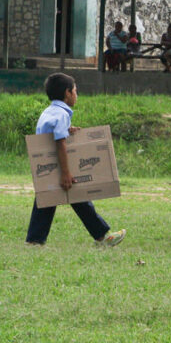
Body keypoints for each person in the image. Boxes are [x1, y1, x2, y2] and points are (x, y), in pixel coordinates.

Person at [25, 73, 127, 247]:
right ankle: (102, 237)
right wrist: (66, 173)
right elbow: (59, 143)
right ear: (67, 93)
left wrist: (68, 129)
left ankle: (35, 240)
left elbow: (50, 134)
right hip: (57, 165)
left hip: (45, 165)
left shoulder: (49, 111)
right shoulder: (62, 114)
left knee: (49, 200)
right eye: (75, 91)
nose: (76, 95)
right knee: (74, 196)